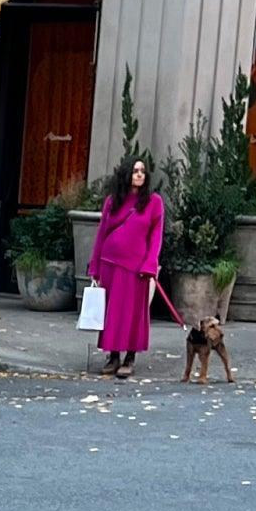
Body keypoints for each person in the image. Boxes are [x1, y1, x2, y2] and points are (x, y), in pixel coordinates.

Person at [88, 155, 163, 379]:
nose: (139, 174)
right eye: (135, 171)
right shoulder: (113, 201)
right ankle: (113, 356)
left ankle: (130, 357)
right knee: (112, 313)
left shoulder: (154, 201)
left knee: (132, 314)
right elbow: (102, 233)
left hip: (136, 267)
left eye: (142, 171)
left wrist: (150, 264)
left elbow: (156, 236)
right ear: (126, 174)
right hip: (110, 263)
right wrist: (95, 267)